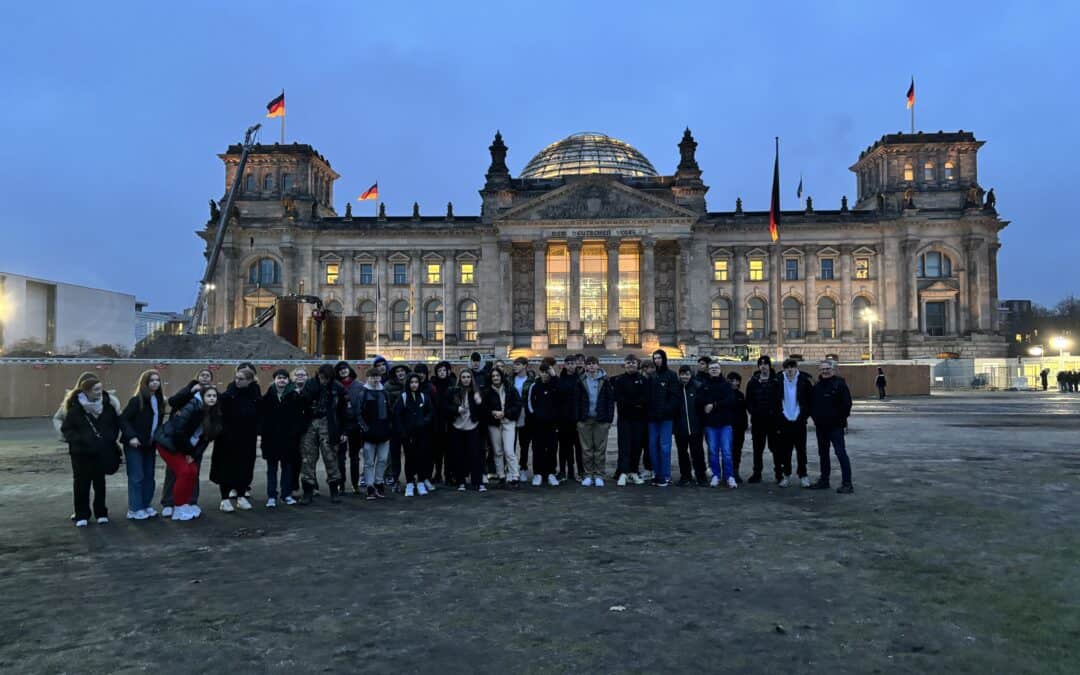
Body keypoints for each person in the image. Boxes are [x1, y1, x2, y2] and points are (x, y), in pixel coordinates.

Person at [154, 386, 223, 521]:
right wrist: (188, 452)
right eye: (208, 396)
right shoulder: (191, 408)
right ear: (202, 397)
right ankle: (178, 508)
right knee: (184, 472)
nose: (212, 398)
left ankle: (185, 504)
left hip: (186, 447)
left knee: (192, 471)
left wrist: (193, 454)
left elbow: (205, 440)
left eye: (214, 396)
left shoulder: (214, 414)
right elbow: (179, 433)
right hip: (169, 443)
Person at [61, 374, 122, 527]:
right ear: (86, 391)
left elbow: (114, 426)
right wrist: (80, 440)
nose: (100, 392)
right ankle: (82, 514)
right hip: (81, 454)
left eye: (100, 389)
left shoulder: (107, 407)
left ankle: (101, 513)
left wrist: (108, 439)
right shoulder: (75, 409)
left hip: (101, 452)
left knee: (100, 483)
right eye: (96, 389)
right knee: (82, 484)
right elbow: (67, 429)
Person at [162, 368, 214, 515]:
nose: (204, 377)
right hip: (178, 439)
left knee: (193, 471)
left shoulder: (211, 395)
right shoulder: (189, 389)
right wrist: (190, 390)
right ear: (197, 376)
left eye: (208, 375)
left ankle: (191, 500)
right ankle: (168, 502)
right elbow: (173, 402)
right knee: (173, 471)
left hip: (196, 440)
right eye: (202, 375)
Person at [119, 369, 166, 520]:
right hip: (134, 445)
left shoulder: (159, 401)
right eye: (151, 380)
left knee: (149, 476)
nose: (155, 383)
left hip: (149, 444)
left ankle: (146, 505)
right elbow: (123, 419)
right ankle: (134, 508)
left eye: (157, 380)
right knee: (136, 476)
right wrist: (131, 436)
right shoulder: (136, 401)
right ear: (145, 383)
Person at [212, 367, 261, 512]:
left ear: (250, 381)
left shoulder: (254, 394)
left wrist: (258, 432)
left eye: (241, 379)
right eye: (236, 378)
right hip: (228, 438)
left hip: (247, 438)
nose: (237, 381)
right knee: (226, 467)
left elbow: (259, 414)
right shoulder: (229, 394)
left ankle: (241, 496)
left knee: (245, 466)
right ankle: (224, 499)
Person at [298, 364, 348, 504]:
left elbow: (343, 411)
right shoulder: (310, 385)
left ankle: (334, 490)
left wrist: (343, 430)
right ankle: (308, 491)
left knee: (331, 457)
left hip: (329, 424)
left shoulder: (337, 387)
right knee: (308, 458)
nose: (323, 381)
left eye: (326, 378)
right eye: (321, 378)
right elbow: (302, 403)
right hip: (310, 424)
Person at [808, 360, 854, 493]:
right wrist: (815, 418)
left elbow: (847, 405)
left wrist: (840, 420)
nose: (825, 371)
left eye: (827, 369)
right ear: (819, 371)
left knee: (840, 453)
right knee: (823, 454)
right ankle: (824, 480)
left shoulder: (840, 384)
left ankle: (847, 483)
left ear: (832, 369)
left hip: (836, 426)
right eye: (822, 369)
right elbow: (812, 404)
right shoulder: (817, 386)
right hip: (821, 426)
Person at [258, 369, 303, 507]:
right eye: (279, 378)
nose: (282, 380)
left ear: (288, 380)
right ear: (274, 380)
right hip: (271, 439)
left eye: (284, 378)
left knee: (287, 468)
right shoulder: (267, 397)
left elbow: (298, 417)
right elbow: (262, 418)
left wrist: (295, 434)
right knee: (271, 469)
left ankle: (286, 495)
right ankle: (271, 496)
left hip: (288, 440)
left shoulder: (294, 396)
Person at [350, 365, 393, 500]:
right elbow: (358, 413)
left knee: (383, 460)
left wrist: (388, 427)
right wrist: (365, 428)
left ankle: (379, 483)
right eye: (372, 377)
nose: (375, 379)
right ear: (367, 378)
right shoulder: (363, 393)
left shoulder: (384, 392)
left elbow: (389, 412)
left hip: (383, 433)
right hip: (369, 434)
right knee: (368, 462)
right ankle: (369, 486)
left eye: (377, 377)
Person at [573, 356, 614, 487]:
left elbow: (610, 401)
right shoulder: (580, 380)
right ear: (585, 366)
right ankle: (588, 474)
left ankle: (599, 474)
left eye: (593, 364)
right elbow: (577, 401)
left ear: (598, 365)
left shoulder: (605, 380)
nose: (591, 366)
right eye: (589, 364)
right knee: (586, 449)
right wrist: (578, 419)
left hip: (601, 419)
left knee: (600, 449)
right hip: (585, 420)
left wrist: (609, 420)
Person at [772, 358, 814, 488]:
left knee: (801, 450)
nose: (790, 370)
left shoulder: (804, 381)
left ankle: (803, 475)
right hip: (784, 421)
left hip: (799, 421)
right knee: (786, 451)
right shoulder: (778, 380)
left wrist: (804, 415)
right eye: (787, 367)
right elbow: (774, 399)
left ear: (796, 368)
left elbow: (809, 400)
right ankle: (786, 475)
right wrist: (779, 416)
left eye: (792, 367)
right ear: (784, 369)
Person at [698, 361, 737, 488]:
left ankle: (729, 476)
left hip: (725, 423)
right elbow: (700, 401)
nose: (714, 370)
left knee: (726, 452)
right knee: (713, 451)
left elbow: (730, 401)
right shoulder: (705, 385)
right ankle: (716, 475)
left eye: (716, 368)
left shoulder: (726, 385)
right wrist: (709, 405)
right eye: (711, 368)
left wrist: (714, 405)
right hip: (710, 424)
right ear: (708, 370)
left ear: (720, 370)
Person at [395, 373, 435, 497]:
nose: (414, 384)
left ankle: (421, 482)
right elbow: (397, 415)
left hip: (422, 434)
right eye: (412, 382)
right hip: (407, 435)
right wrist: (402, 431)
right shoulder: (403, 397)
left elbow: (431, 411)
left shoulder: (424, 397)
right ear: (408, 383)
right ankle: (410, 483)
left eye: (416, 382)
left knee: (421, 457)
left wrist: (424, 421)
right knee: (409, 458)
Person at [446, 368, 486, 492]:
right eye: (463, 377)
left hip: (472, 427)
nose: (466, 379)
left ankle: (478, 482)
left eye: (468, 377)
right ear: (460, 379)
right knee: (459, 456)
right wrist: (456, 409)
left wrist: (479, 403)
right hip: (457, 427)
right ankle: (461, 481)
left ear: (471, 379)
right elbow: (446, 407)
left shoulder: (477, 392)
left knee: (475, 455)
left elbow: (483, 412)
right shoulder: (453, 391)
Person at [483, 367, 523, 488]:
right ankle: (501, 476)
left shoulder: (511, 389)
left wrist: (505, 413)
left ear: (501, 376)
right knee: (497, 451)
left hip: (508, 422)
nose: (495, 378)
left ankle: (515, 476)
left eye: (497, 375)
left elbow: (518, 405)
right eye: (493, 376)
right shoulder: (487, 391)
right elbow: (484, 408)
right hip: (494, 424)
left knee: (509, 450)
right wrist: (492, 413)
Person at [613, 355, 649, 485]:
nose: (631, 365)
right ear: (625, 364)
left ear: (637, 364)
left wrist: (632, 403)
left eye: (633, 362)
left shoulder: (643, 380)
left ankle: (634, 472)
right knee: (624, 446)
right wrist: (635, 404)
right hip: (624, 419)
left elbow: (645, 399)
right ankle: (623, 473)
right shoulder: (620, 380)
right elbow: (619, 399)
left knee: (636, 446)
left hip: (639, 420)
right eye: (628, 363)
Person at [646, 349, 680, 486]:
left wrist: (666, 410)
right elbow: (648, 398)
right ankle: (657, 473)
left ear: (664, 359)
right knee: (653, 446)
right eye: (655, 358)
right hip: (653, 418)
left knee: (665, 447)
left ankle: (665, 475)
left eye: (659, 358)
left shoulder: (671, 375)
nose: (657, 360)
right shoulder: (652, 376)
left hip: (666, 418)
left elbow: (674, 397)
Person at [745, 355, 780, 483]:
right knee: (757, 449)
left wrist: (776, 413)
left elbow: (780, 398)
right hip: (758, 421)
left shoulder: (776, 380)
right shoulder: (753, 381)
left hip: (773, 421)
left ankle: (779, 474)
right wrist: (753, 411)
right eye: (761, 363)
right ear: (758, 366)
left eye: (766, 363)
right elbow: (748, 399)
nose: (763, 366)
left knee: (776, 448)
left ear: (769, 366)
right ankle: (757, 473)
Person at [527, 363, 560, 487]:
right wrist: (535, 416)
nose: (545, 374)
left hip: (552, 423)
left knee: (552, 448)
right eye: (543, 372)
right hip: (538, 423)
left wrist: (554, 376)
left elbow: (561, 395)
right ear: (539, 373)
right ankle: (538, 473)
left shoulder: (555, 385)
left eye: (547, 372)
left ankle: (551, 473)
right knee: (538, 448)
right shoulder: (534, 386)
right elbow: (529, 403)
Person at [674, 365, 706, 486]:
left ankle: (701, 476)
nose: (684, 376)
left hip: (695, 427)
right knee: (682, 453)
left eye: (687, 374)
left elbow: (702, 406)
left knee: (697, 453)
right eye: (682, 374)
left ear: (691, 374)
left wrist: (701, 424)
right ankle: (685, 476)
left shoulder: (697, 387)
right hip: (680, 428)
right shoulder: (676, 388)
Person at [334, 361, 362, 494]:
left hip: (355, 426)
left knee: (355, 457)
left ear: (349, 369)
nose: (343, 371)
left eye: (345, 368)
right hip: (341, 427)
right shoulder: (335, 386)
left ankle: (355, 484)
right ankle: (341, 485)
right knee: (340, 457)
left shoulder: (359, 385)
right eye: (340, 369)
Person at [430, 361, 457, 485]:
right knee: (437, 451)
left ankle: (448, 474)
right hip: (437, 422)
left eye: (444, 370)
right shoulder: (433, 385)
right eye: (439, 370)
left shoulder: (452, 384)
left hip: (450, 422)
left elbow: (456, 403)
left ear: (448, 372)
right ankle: (438, 473)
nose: (442, 373)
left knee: (450, 451)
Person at [556, 355, 583, 481]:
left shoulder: (580, 379)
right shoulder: (560, 379)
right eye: (568, 363)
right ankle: (563, 471)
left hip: (577, 418)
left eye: (573, 363)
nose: (571, 365)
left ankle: (579, 472)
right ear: (565, 365)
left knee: (578, 447)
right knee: (564, 447)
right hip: (563, 419)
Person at [511, 357, 536, 482]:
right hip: (512, 414)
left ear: (525, 366)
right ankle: (512, 468)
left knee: (524, 444)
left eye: (518, 364)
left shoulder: (531, 381)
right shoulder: (511, 380)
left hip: (525, 414)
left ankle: (523, 468)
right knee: (511, 444)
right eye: (514, 364)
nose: (515, 366)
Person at [384, 363, 410, 487]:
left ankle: (410, 479)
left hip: (409, 426)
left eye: (402, 371)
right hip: (394, 426)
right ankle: (394, 478)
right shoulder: (388, 386)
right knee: (394, 454)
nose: (400, 373)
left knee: (410, 454)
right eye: (398, 371)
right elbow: (387, 407)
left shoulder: (412, 384)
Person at [290, 367, 310, 495]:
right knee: (294, 459)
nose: (300, 376)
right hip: (293, 430)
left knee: (309, 459)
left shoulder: (310, 391)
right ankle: (293, 486)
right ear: (293, 377)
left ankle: (312, 486)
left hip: (309, 429)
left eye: (303, 374)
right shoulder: (289, 392)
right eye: (298, 375)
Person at [727, 371, 748, 484]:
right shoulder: (725, 394)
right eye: (732, 380)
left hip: (739, 429)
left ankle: (735, 472)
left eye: (736, 381)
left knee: (737, 451)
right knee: (727, 451)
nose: (734, 383)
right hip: (727, 428)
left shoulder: (741, 395)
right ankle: (727, 473)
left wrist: (744, 425)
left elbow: (743, 412)